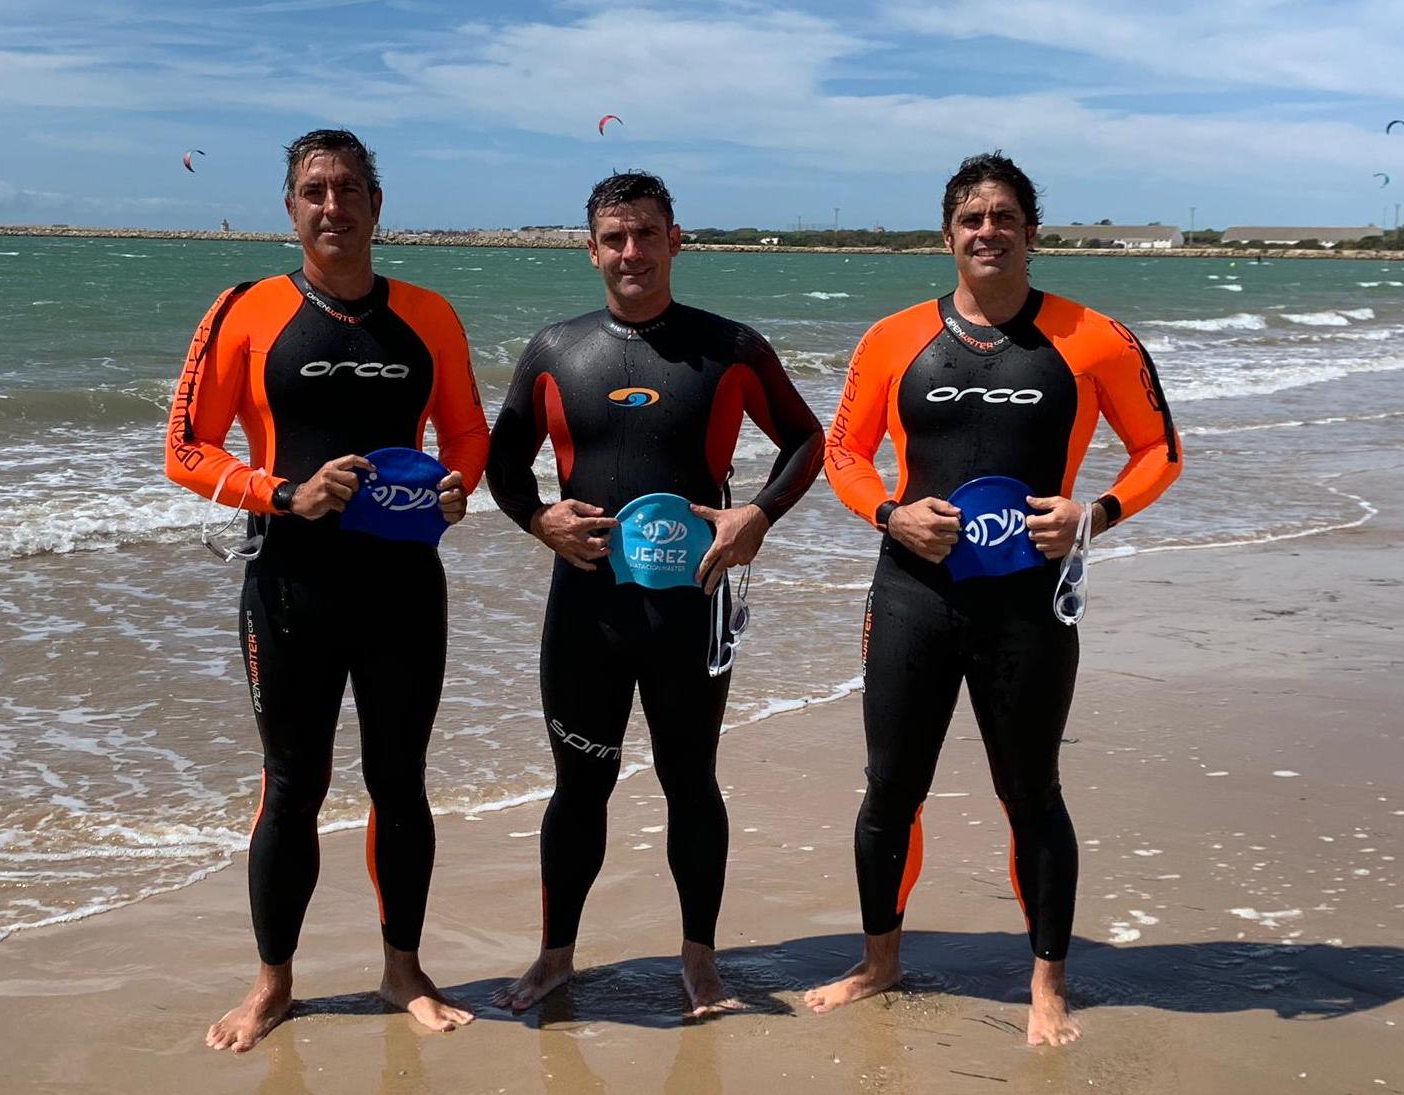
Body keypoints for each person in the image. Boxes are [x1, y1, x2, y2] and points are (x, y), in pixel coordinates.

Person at [809, 152, 1181, 1045]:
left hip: (1028, 602)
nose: (987, 231)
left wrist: (1092, 513)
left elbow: (1158, 449)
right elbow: (842, 453)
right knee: (888, 789)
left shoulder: (1093, 336)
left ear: (1030, 233)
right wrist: (891, 515)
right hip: (913, 596)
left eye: (1004, 216)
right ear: (948, 236)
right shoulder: (892, 338)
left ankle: (1046, 984)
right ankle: (878, 960)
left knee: (1031, 793)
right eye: (971, 218)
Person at [164, 129, 491, 1053]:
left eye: (349, 188)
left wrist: (456, 488)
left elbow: (466, 430)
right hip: (289, 586)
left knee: (401, 783)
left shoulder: (428, 313)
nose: (332, 205)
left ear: (376, 205)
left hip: (401, 590)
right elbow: (185, 448)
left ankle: (402, 969)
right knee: (292, 786)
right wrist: (283, 493)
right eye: (314, 190)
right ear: (291, 207)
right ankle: (273, 983)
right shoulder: (247, 310)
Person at [485, 171, 824, 1017]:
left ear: (676, 240)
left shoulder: (731, 348)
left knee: (690, 780)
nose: (629, 251)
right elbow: (500, 462)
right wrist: (537, 519)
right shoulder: (555, 348)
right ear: (591, 247)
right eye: (613, 237)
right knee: (578, 788)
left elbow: (806, 440)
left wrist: (757, 514)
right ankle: (556, 954)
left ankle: (701, 962)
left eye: (645, 234)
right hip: (586, 610)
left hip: (690, 606)